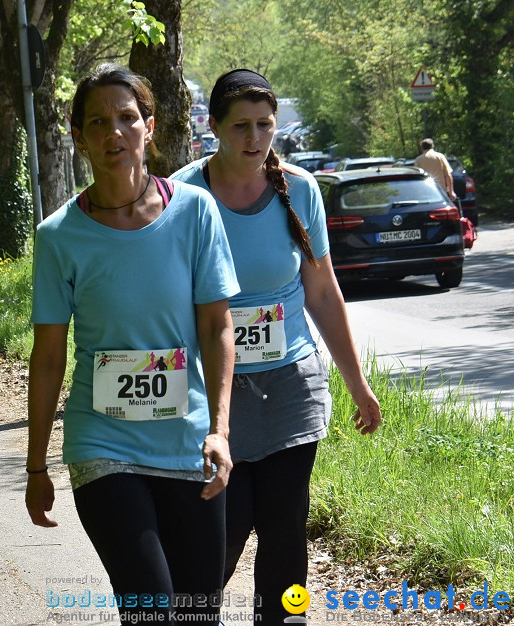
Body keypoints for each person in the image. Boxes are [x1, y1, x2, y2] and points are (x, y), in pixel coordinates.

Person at [26, 63, 239, 626]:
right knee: (150, 607)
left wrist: (219, 429)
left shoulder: (196, 212)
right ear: (79, 136)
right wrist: (35, 467)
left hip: (186, 439)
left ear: (150, 126)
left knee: (199, 613)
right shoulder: (58, 237)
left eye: (127, 118)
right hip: (104, 441)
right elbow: (48, 357)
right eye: (98, 122)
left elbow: (218, 327)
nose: (113, 133)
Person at [171, 69, 383, 624]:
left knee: (286, 532)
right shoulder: (182, 194)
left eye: (265, 125)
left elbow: (322, 290)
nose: (255, 138)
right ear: (212, 127)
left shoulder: (299, 188)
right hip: (217, 392)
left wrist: (357, 384)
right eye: (240, 125)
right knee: (222, 531)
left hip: (291, 382)